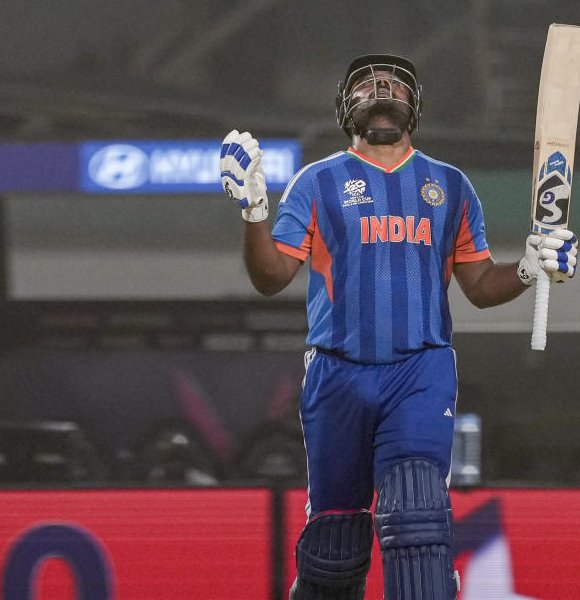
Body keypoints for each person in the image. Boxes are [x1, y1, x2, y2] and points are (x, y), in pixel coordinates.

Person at [220, 54, 577, 600]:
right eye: (366, 83)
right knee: (333, 544)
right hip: (335, 374)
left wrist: (530, 268)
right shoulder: (315, 182)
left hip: (419, 369)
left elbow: (480, 286)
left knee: (417, 516)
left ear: (414, 106)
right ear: (346, 106)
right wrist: (253, 214)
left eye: (394, 83)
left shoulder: (451, 186)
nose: (382, 88)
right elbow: (270, 278)